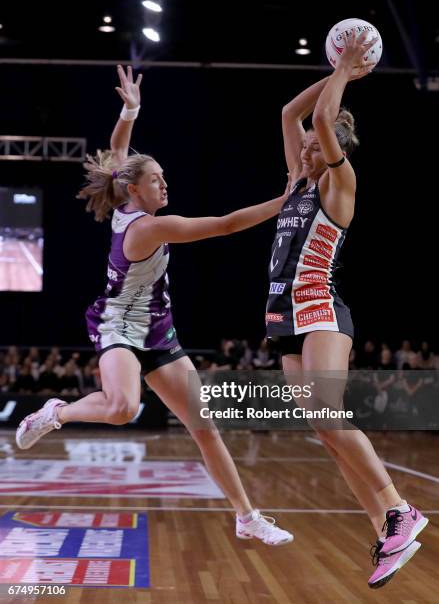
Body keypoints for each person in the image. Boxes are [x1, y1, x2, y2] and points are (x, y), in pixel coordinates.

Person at [16, 65, 292, 546]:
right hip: (117, 322)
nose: (165, 185)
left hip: (158, 328)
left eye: (165, 178)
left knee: (204, 426)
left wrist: (130, 112)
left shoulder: (131, 205)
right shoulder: (147, 227)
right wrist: (283, 202)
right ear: (136, 189)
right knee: (124, 407)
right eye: (157, 180)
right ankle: (55, 413)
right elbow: (226, 225)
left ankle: (247, 516)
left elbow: (118, 154)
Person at [267, 31, 428, 587]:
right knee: (323, 429)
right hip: (282, 318)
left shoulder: (339, 181)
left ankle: (401, 511)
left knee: (330, 416)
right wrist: (342, 72)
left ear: (334, 148)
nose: (308, 148)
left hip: (320, 309)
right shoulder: (296, 180)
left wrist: (343, 75)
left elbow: (315, 122)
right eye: (310, 146)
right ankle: (387, 527)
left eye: (319, 143)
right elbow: (292, 113)